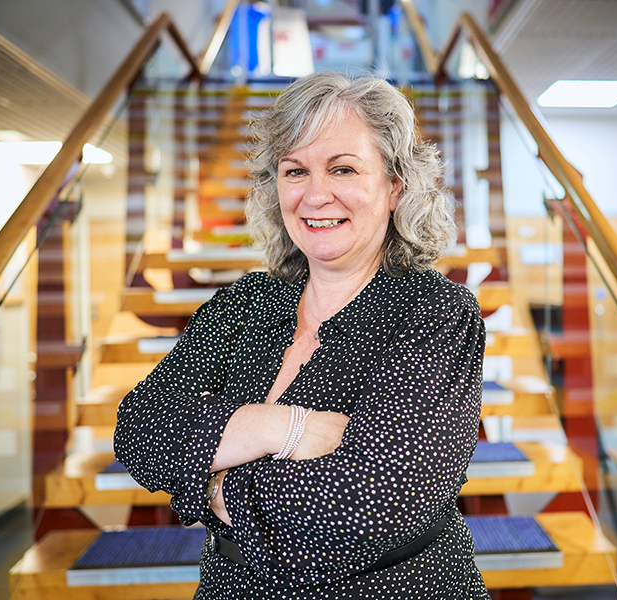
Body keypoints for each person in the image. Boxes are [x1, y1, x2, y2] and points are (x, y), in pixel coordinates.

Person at [115, 71, 489, 600]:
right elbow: (138, 431)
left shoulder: (434, 313)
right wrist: (285, 428)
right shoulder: (245, 303)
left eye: (343, 169)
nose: (315, 195)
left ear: (394, 188)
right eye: (295, 171)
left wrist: (212, 483)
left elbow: (372, 505)